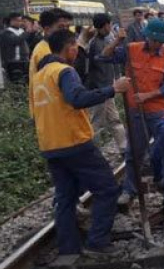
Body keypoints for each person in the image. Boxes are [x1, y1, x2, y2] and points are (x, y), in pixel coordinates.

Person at [31, 29, 130, 257]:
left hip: (50, 146)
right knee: (106, 189)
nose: (77, 50)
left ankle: (68, 248)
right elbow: (76, 99)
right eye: (75, 46)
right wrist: (112, 89)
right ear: (69, 48)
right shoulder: (64, 72)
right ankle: (98, 242)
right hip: (74, 142)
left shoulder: (39, 76)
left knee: (65, 198)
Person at [101, 18, 164, 206]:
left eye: (162, 41)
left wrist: (147, 96)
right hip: (136, 113)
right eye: (155, 40)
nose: (158, 44)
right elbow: (104, 56)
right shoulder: (131, 49)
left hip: (161, 113)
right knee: (133, 154)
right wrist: (118, 40)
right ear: (148, 37)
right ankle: (130, 190)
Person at [87, 13, 127, 153]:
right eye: (109, 24)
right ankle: (92, 152)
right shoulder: (95, 43)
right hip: (99, 89)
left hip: (108, 87)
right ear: (105, 25)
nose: (110, 27)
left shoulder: (106, 39)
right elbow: (102, 58)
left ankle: (123, 148)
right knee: (96, 123)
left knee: (114, 119)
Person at [28, 8, 74, 116]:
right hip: (50, 111)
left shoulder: (53, 47)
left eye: (67, 27)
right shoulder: (44, 52)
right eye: (61, 27)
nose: (66, 31)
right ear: (47, 29)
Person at [0, 12, 30, 83]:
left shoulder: (21, 31)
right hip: (13, 62)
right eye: (18, 20)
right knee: (17, 82)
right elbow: (16, 40)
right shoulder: (6, 33)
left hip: (24, 61)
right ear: (12, 21)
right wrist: (27, 32)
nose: (20, 22)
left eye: (21, 20)